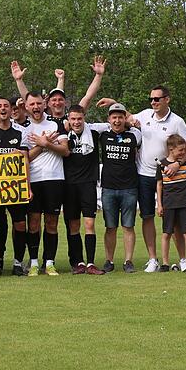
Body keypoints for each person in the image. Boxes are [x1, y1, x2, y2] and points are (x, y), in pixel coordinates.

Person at [97, 85, 186, 272]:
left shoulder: (177, 121)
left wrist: (178, 163)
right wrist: (113, 103)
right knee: (147, 217)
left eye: (157, 99)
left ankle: (182, 259)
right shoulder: (146, 114)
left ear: (167, 99)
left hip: (168, 176)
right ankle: (153, 259)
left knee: (173, 220)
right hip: (143, 175)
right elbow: (126, 117)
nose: (153, 102)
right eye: (151, 99)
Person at [0, 98, 31, 276]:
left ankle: (18, 261)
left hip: (16, 186)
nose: (3, 109)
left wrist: (28, 186)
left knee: (19, 224)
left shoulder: (21, 131)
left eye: (6, 106)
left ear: (11, 110)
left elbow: (25, 159)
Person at [24, 91, 69, 276]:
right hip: (33, 180)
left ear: (45, 104)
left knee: (52, 222)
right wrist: (43, 144)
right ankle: (33, 262)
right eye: (31, 104)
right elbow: (25, 158)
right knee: (33, 223)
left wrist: (47, 143)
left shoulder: (56, 124)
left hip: (55, 179)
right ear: (26, 107)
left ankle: (49, 262)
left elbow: (65, 151)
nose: (35, 107)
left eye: (38, 104)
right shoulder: (24, 129)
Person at [62, 105, 109, 275]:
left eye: (79, 118)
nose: (76, 122)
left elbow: (116, 122)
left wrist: (131, 120)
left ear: (84, 117)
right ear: (69, 119)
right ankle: (78, 262)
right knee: (73, 225)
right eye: (73, 119)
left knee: (89, 223)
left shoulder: (94, 130)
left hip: (88, 183)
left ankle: (90, 263)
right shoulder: (63, 133)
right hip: (69, 185)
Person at [98, 103, 140, 273]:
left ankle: (128, 261)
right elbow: (83, 123)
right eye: (114, 117)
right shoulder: (102, 134)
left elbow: (135, 121)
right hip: (108, 187)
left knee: (128, 226)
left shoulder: (135, 135)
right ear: (109, 119)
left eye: (120, 117)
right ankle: (109, 260)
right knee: (110, 226)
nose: (117, 120)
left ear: (124, 118)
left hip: (129, 187)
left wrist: (131, 121)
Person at [156, 135, 186, 272]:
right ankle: (165, 263)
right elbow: (159, 185)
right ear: (171, 149)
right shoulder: (162, 164)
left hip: (184, 204)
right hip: (168, 205)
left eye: (184, 149)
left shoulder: (185, 163)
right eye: (180, 150)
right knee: (166, 233)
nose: (183, 153)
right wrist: (160, 204)